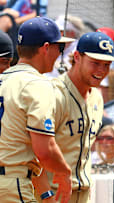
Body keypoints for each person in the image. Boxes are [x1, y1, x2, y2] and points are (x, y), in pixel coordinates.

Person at [0, 16, 74, 203]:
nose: (60, 54)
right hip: (11, 186)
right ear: (46, 48)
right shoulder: (37, 84)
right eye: (60, 48)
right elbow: (44, 150)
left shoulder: (4, 80)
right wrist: (64, 172)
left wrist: (45, 194)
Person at [43, 31, 114, 202]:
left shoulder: (97, 97)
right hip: (53, 192)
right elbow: (38, 150)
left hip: (83, 192)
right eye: (95, 63)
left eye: (107, 65)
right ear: (77, 57)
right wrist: (44, 193)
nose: (101, 70)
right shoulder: (53, 94)